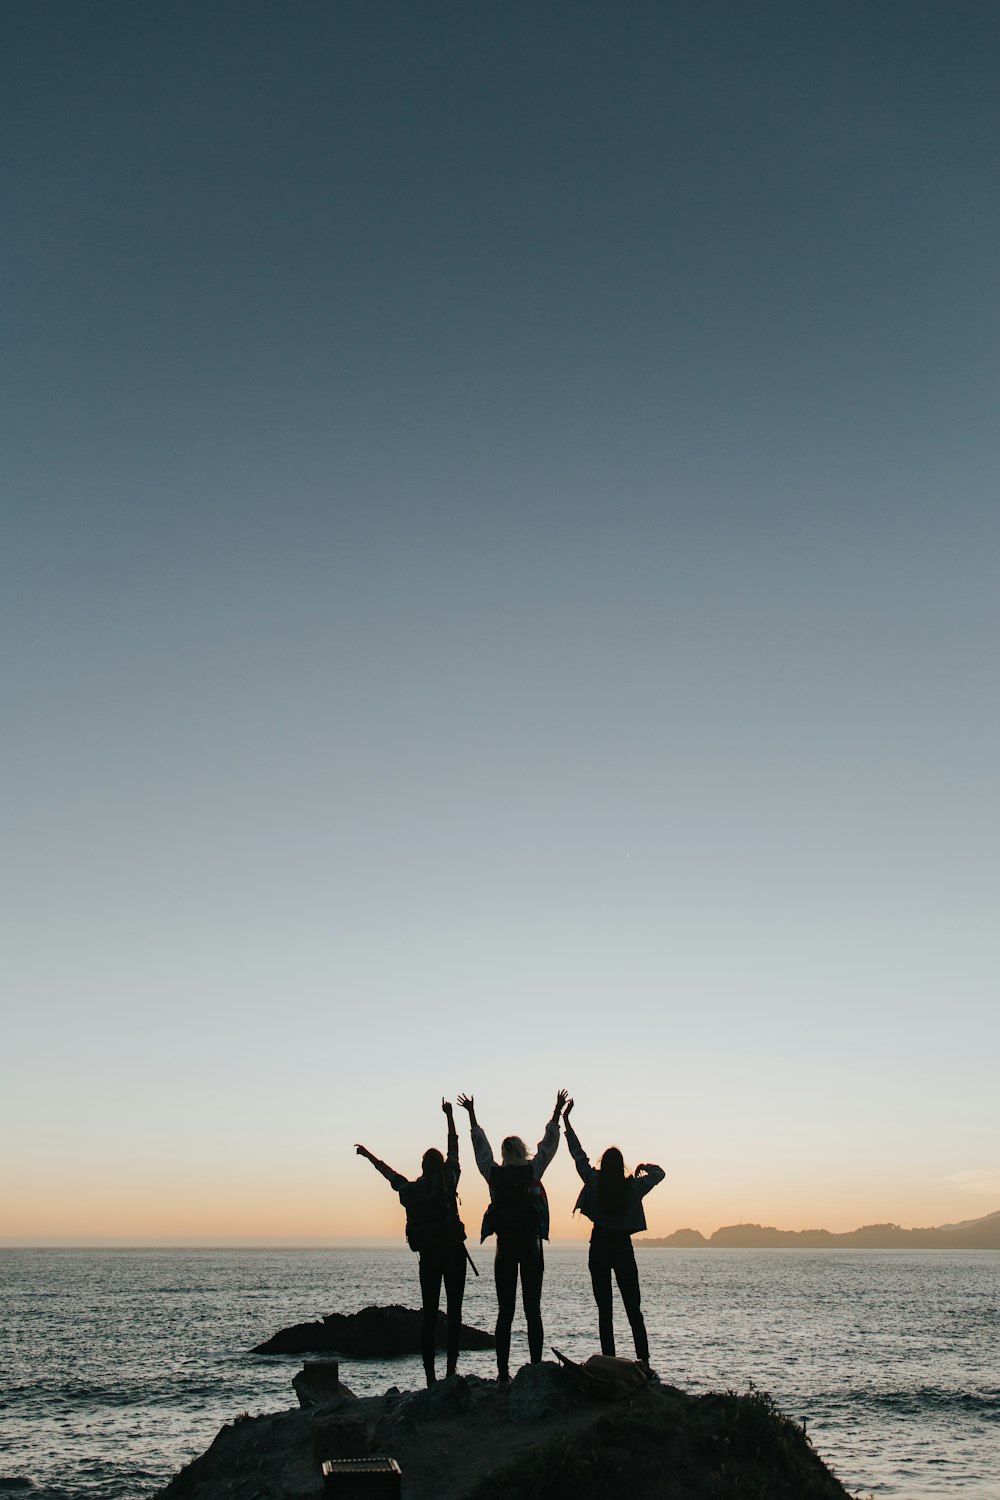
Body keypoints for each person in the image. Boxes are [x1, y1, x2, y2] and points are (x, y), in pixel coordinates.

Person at [457, 1088, 567, 1383]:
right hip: (531, 1247)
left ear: (505, 1154)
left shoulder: (494, 1175)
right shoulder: (533, 1170)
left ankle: (503, 1372)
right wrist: (556, 1110)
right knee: (533, 1309)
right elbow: (550, 1144)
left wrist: (471, 1115)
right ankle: (533, 1367)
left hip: (504, 1248)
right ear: (523, 1151)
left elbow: (481, 1151)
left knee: (505, 1311)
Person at [355, 1098, 467, 1385]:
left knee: (429, 1315)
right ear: (440, 1165)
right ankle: (451, 1370)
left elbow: (390, 1175)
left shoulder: (412, 1191)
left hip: (428, 1258)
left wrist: (369, 1157)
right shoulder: (448, 1180)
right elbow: (454, 1147)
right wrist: (450, 1117)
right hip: (454, 1253)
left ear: (422, 1166)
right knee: (455, 1313)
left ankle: (430, 1376)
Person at [563, 1097, 665, 1376]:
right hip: (622, 1248)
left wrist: (567, 1121)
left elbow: (577, 1155)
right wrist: (645, 1165)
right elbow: (660, 1174)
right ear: (621, 1165)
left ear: (602, 1164)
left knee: (604, 1311)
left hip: (598, 1247)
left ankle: (608, 1364)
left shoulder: (593, 1181)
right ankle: (644, 1364)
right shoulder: (633, 1187)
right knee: (634, 1309)